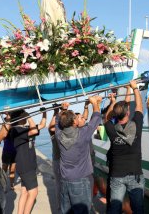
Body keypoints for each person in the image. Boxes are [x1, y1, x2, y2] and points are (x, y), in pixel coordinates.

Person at [56, 95, 102, 213]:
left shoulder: (58, 134)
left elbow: (58, 121)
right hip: (80, 181)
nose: (78, 118)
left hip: (64, 180)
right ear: (74, 122)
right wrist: (94, 103)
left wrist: (63, 110)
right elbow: (96, 118)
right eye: (76, 117)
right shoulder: (82, 134)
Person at [104, 80, 144, 214]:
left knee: (114, 208)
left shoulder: (110, 129)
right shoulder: (136, 125)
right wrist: (135, 88)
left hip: (117, 175)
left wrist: (113, 102)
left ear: (116, 115)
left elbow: (106, 118)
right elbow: (139, 107)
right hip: (135, 174)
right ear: (128, 113)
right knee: (138, 209)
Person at [10, 109, 47, 214]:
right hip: (26, 165)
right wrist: (29, 116)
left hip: (25, 164)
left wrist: (44, 113)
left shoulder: (23, 128)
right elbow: (34, 131)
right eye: (24, 116)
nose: (26, 118)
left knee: (25, 192)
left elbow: (42, 125)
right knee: (33, 192)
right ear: (20, 118)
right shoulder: (16, 130)